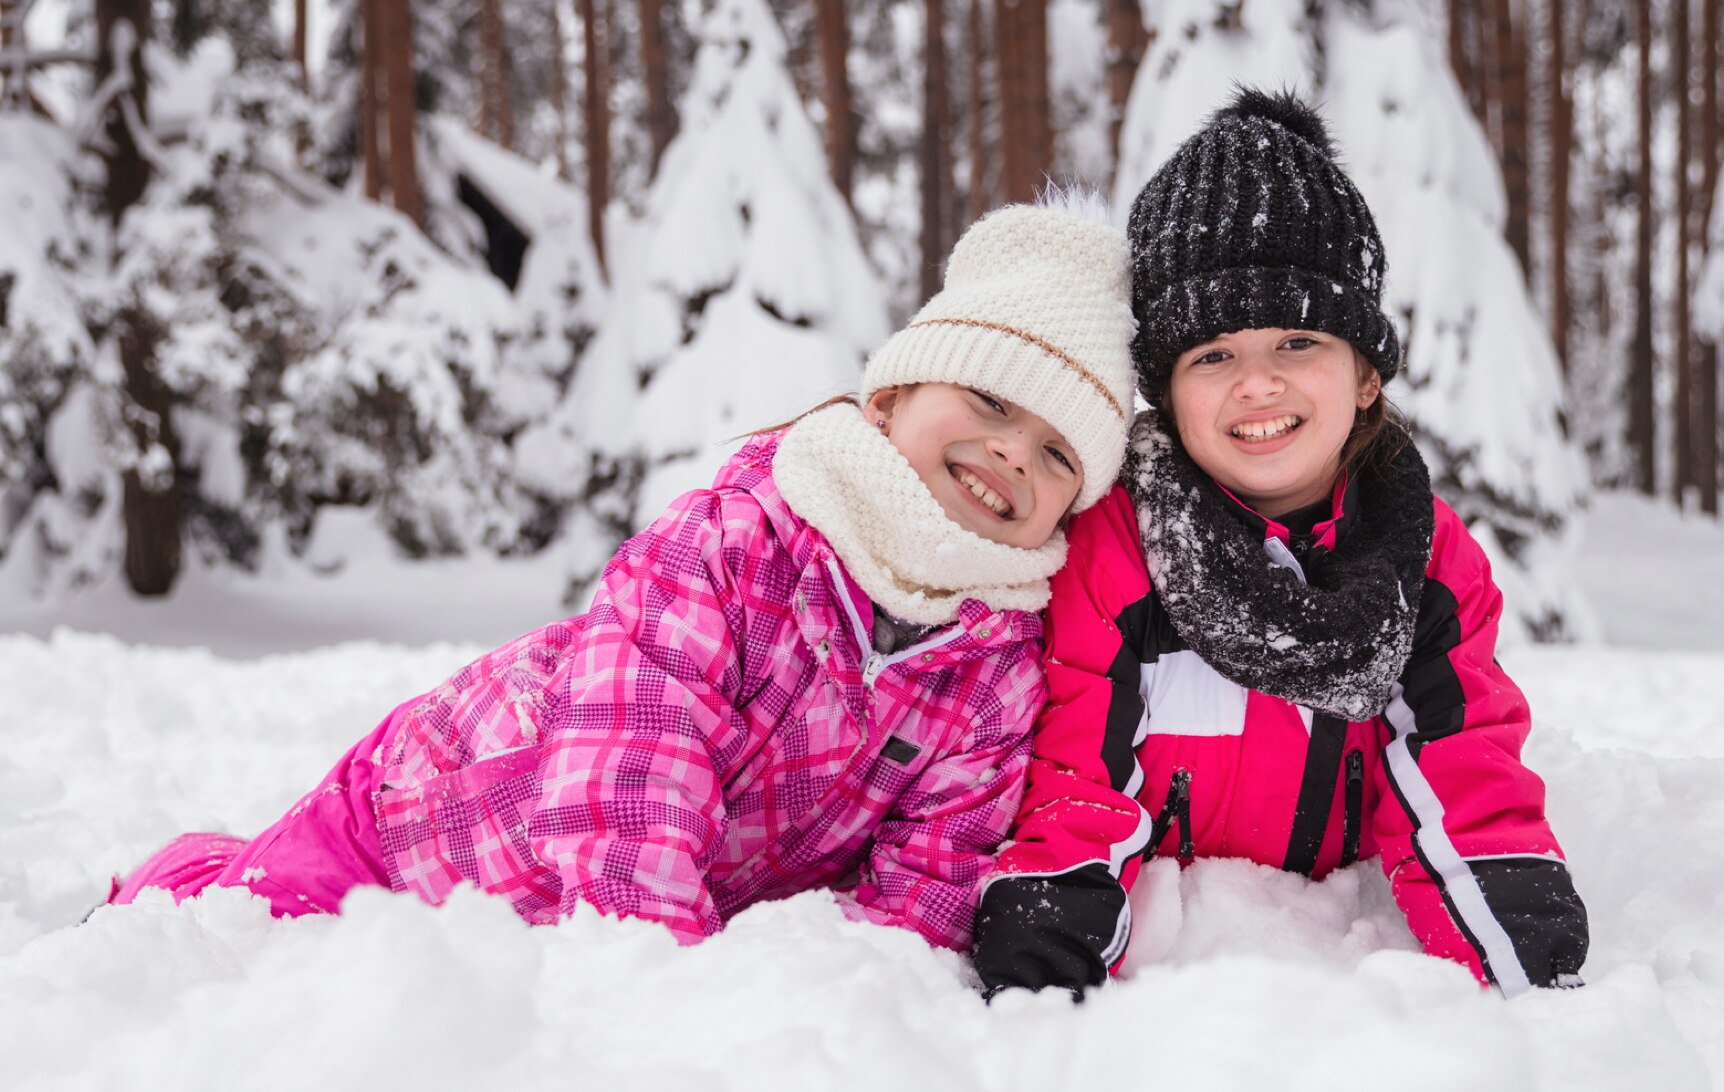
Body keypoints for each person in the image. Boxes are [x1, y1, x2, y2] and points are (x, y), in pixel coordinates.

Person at [105, 198, 1137, 952]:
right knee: (238, 944)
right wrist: (660, 984)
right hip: (425, 830)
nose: (1013, 454)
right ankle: (174, 883)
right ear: (887, 403)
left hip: (619, 925)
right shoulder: (737, 544)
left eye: (1058, 455)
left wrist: (847, 996)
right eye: (992, 404)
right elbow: (626, 777)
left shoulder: (992, 670)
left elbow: (933, 876)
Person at [970, 89, 1589, 996]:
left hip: (1327, 953)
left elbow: (1462, 764)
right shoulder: (1119, 545)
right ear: (1168, 394)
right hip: (1180, 969)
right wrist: (1046, 943)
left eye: (1298, 342)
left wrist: (1527, 966)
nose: (1257, 385)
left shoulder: (1425, 564)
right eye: (1213, 356)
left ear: (1367, 375)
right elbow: (1074, 769)